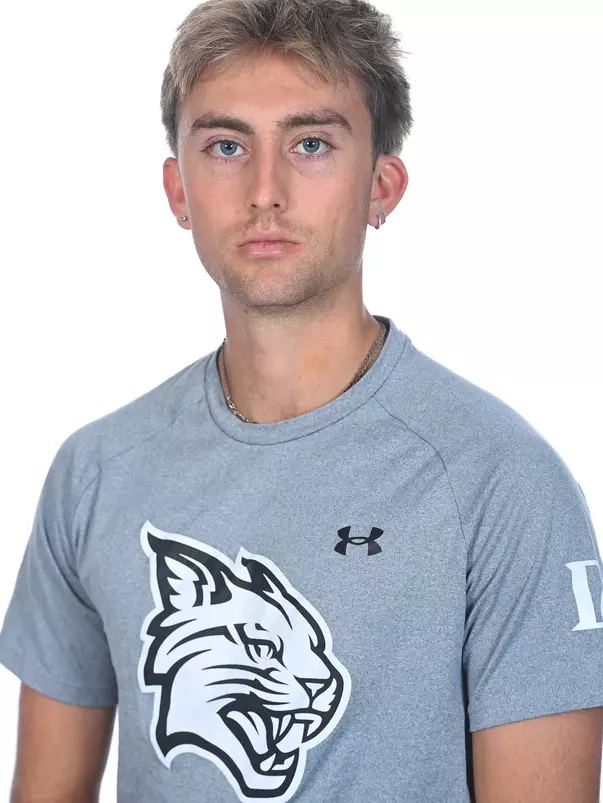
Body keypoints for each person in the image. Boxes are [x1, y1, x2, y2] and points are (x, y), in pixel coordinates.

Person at [1, 0, 602, 801]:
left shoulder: (500, 483)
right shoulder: (95, 472)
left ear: (380, 186)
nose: (264, 190)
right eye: (225, 146)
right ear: (178, 191)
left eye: (311, 144)